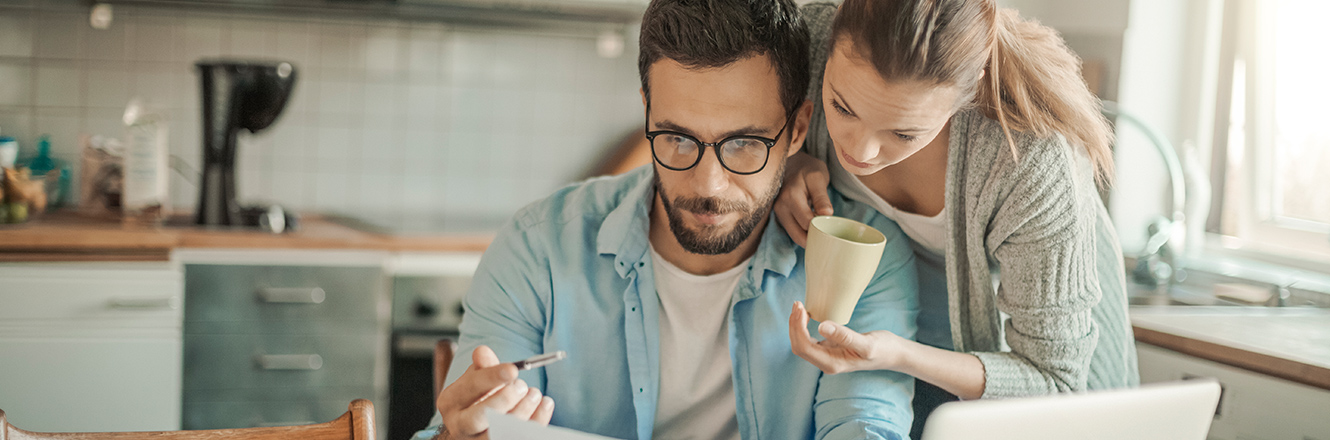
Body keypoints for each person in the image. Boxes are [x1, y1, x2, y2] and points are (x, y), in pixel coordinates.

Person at [414, 0, 920, 439]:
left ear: (798, 131)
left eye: (744, 144)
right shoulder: (537, 247)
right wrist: (460, 435)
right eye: (677, 138)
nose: (708, 186)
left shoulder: (865, 261)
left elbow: (865, 427)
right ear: (647, 113)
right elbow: (470, 428)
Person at [777, 0, 1139, 438]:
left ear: (969, 93)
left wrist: (899, 354)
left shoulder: (1028, 163)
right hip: (878, 342)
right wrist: (786, 161)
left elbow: (1054, 383)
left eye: (903, 133)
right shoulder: (807, 40)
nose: (861, 152)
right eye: (843, 107)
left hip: (991, 370)